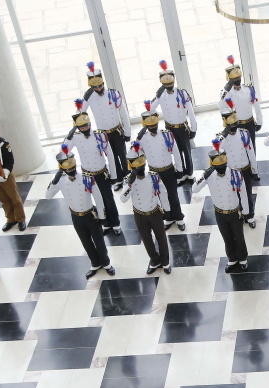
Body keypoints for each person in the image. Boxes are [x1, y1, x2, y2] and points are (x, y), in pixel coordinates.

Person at [46, 148, 115, 278]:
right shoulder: (60, 181)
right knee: (86, 242)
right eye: (68, 169)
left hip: (90, 214)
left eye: (72, 168)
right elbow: (48, 196)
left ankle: (106, 263)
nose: (71, 171)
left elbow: (98, 198)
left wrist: (102, 216)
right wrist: (53, 182)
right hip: (76, 216)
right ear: (62, 168)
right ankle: (95, 263)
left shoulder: (86, 178)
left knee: (99, 240)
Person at [63, 103, 121, 235]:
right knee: (97, 200)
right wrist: (70, 134)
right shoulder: (76, 138)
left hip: (101, 173)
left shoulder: (100, 135)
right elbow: (64, 151)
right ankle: (105, 223)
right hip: (87, 175)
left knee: (108, 199)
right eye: (82, 126)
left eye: (87, 125)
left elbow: (110, 156)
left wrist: (113, 176)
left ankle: (115, 223)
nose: (85, 128)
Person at [193, 141, 250, 273]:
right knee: (227, 236)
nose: (221, 168)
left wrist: (246, 211)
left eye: (223, 165)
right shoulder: (209, 176)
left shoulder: (235, 174)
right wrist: (204, 175)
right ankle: (232, 259)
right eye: (218, 166)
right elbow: (195, 189)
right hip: (219, 212)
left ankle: (243, 259)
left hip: (235, 211)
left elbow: (243, 193)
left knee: (239, 236)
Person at [122, 144, 171, 274]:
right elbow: (123, 198)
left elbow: (163, 192)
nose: (141, 168)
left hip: (154, 211)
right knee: (146, 239)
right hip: (139, 214)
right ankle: (154, 260)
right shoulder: (129, 180)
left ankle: (165, 261)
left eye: (142, 165)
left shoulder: (154, 176)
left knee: (161, 237)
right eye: (137, 166)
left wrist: (167, 209)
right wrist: (129, 184)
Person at [82, 61, 131, 190]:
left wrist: (127, 131)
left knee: (122, 155)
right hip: (103, 133)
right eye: (95, 87)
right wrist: (84, 100)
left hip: (117, 131)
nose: (99, 89)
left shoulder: (113, 93)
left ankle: (127, 177)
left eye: (100, 86)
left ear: (103, 83)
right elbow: (80, 114)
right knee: (111, 157)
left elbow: (123, 113)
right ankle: (117, 179)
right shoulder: (90, 97)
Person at [137, 103, 185, 230]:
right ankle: (168, 217)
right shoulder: (143, 137)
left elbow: (176, 151)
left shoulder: (166, 134)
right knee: (160, 195)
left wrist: (180, 169)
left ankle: (178, 217)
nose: (153, 128)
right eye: (150, 126)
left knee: (173, 194)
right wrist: (137, 139)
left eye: (155, 125)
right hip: (154, 172)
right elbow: (134, 152)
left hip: (168, 169)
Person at [150, 60, 197, 183]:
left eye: (170, 83)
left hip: (182, 126)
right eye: (166, 84)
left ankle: (190, 172)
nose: (169, 86)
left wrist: (193, 128)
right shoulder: (161, 95)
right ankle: (180, 172)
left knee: (186, 151)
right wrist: (158, 94)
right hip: (169, 128)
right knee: (176, 152)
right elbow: (150, 108)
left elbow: (191, 111)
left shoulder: (182, 93)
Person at [218, 105, 259, 229]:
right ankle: (240, 214)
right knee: (235, 195)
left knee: (247, 193)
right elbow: (217, 149)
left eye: (235, 123)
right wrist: (223, 136)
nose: (234, 127)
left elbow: (250, 152)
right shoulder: (221, 138)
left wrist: (254, 168)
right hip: (232, 170)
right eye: (231, 125)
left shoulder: (244, 134)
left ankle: (249, 215)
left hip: (245, 168)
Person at [218, 55, 264, 152]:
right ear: (229, 80)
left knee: (252, 147)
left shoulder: (248, 89)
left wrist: (259, 121)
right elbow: (221, 106)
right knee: (240, 149)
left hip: (250, 123)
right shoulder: (227, 93)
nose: (238, 81)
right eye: (235, 79)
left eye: (239, 78)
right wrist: (226, 90)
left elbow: (256, 105)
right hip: (237, 125)